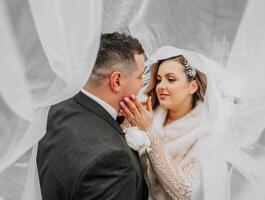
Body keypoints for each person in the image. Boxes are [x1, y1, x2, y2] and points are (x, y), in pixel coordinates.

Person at [37, 32, 148, 200]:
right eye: (140, 77)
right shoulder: (114, 161)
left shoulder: (59, 107)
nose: (143, 85)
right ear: (116, 81)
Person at [120, 46, 233, 200]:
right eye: (159, 79)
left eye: (171, 79)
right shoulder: (147, 111)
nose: (161, 86)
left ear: (192, 86)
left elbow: (187, 192)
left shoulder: (206, 132)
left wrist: (151, 133)